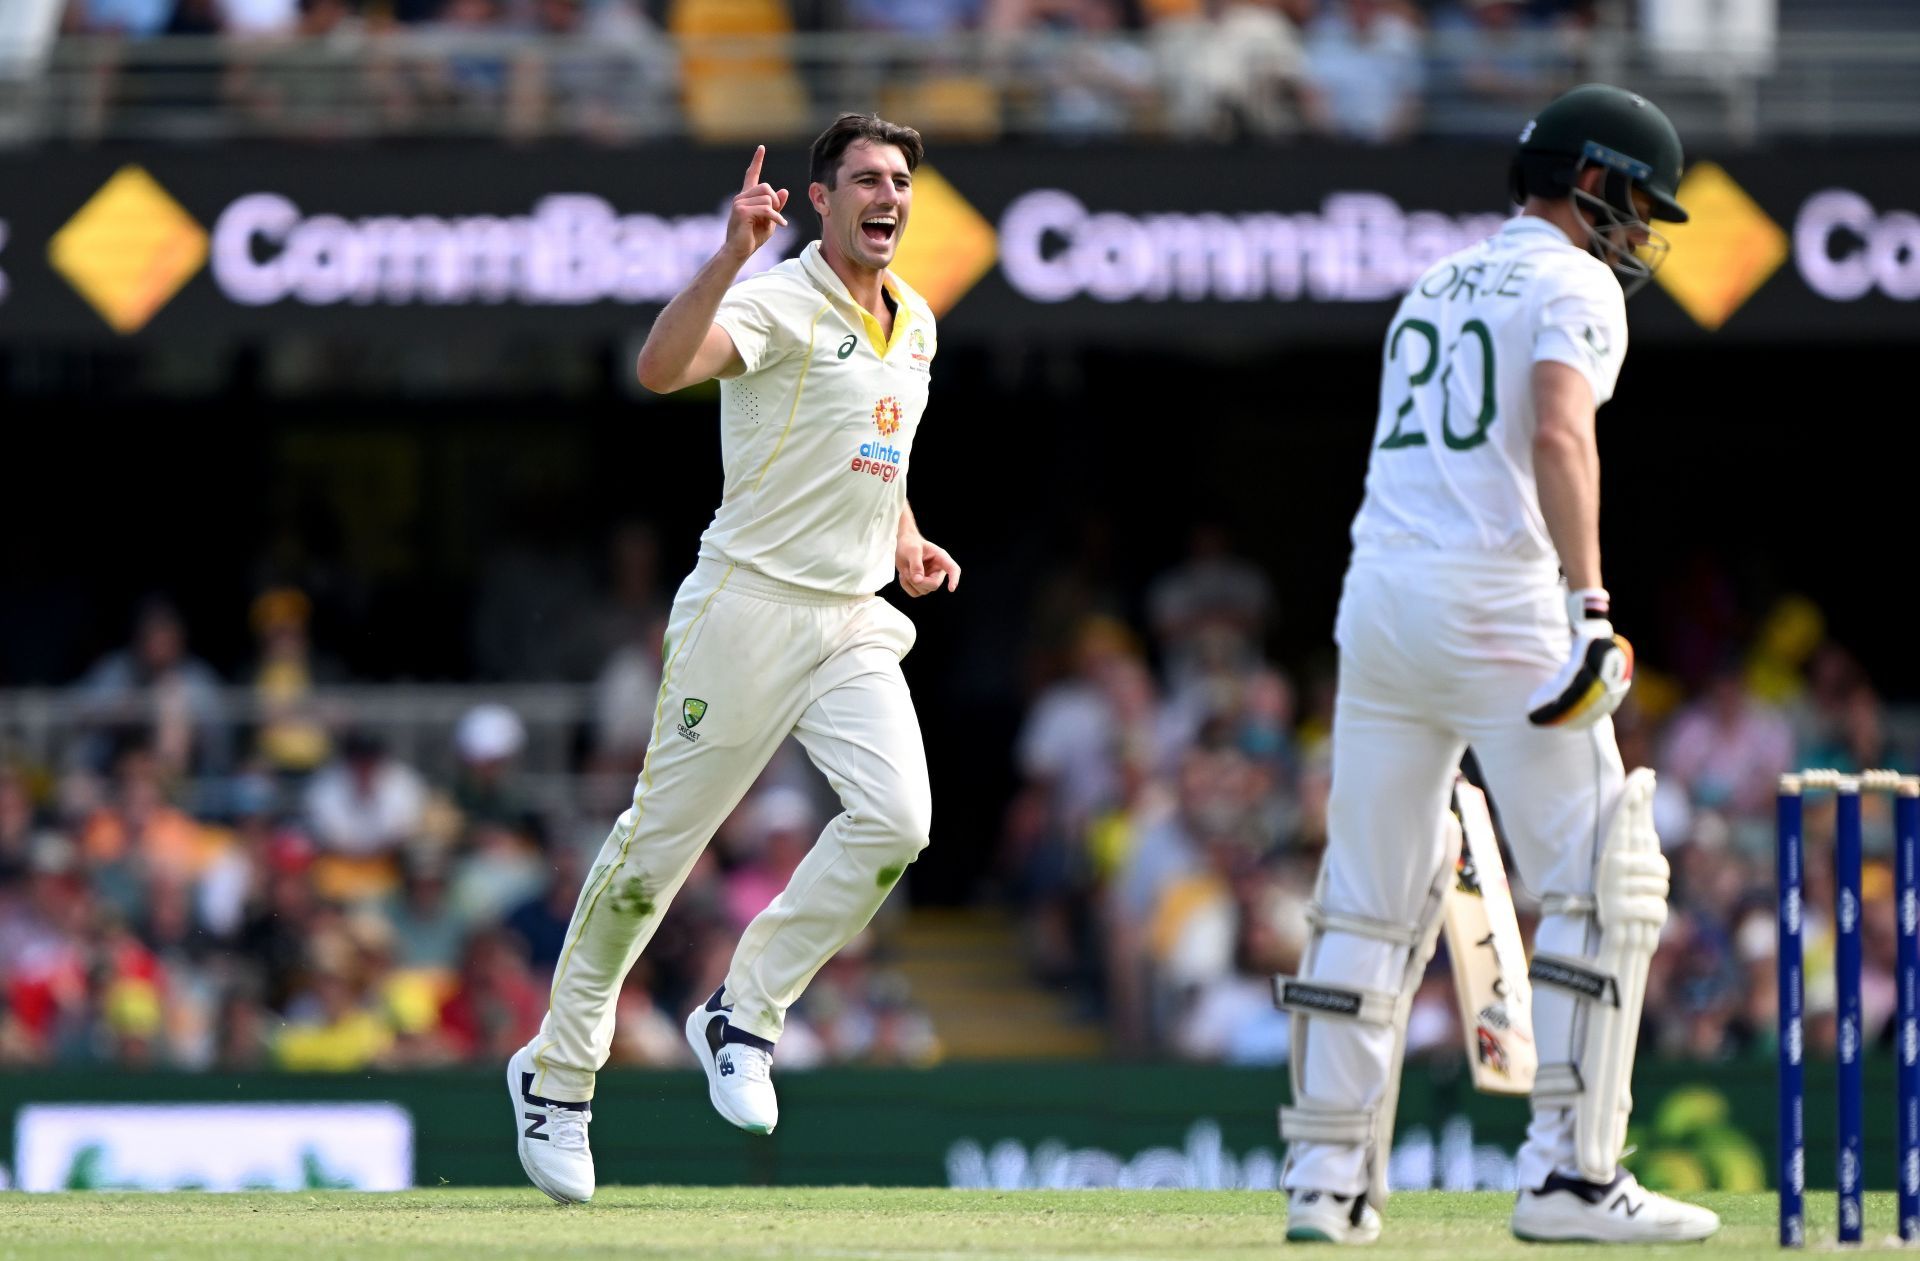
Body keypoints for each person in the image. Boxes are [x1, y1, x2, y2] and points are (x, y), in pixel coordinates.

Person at [1273, 84, 1720, 1244]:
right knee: (1601, 882)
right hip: (1499, 604)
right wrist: (1592, 605)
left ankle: (1327, 1182)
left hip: (1377, 598)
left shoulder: (1436, 279)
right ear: (1591, 181)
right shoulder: (1571, 282)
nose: (1642, 229)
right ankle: (1571, 1177)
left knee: (1366, 901)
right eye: (1635, 201)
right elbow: (1560, 428)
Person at [506, 112, 960, 1206]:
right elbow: (662, 368)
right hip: (747, 609)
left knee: (899, 821)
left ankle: (742, 1010)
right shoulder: (776, 297)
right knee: (655, 856)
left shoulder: (919, 323)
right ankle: (557, 1076)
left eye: (899, 178)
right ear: (822, 200)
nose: (886, 195)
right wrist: (725, 257)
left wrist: (902, 539)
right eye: (864, 178)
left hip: (849, 617)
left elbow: (878, 452)